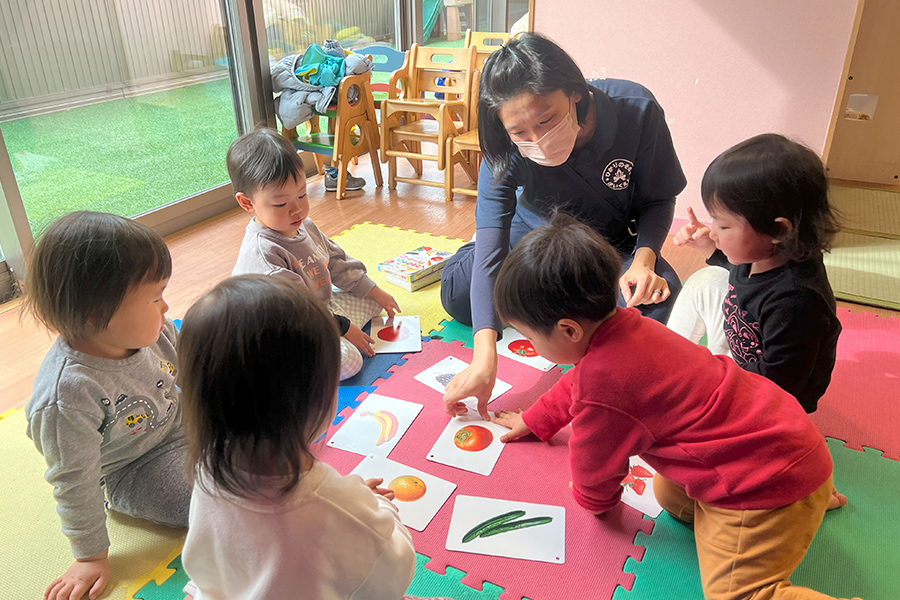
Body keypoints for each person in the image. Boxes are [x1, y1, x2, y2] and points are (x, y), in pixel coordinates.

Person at [487, 215, 860, 600]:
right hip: (791, 440)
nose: (531, 343)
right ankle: (808, 501)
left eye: (530, 336)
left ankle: (795, 509)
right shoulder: (635, 326)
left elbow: (594, 461)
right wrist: (537, 419)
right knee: (668, 493)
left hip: (763, 485)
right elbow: (576, 385)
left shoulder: (605, 387)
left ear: (569, 330)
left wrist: (594, 502)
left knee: (737, 595)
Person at [439, 33, 686, 420]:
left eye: (546, 120)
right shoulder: (503, 148)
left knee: (651, 305)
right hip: (535, 235)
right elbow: (492, 241)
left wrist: (645, 261)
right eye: (520, 132)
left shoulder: (635, 110)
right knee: (461, 296)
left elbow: (658, 198)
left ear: (574, 91)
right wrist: (484, 357)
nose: (537, 139)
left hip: (610, 243)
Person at [178, 275, 447, 600]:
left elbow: (208, 559)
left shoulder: (208, 468)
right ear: (318, 400)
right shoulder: (336, 504)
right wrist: (376, 506)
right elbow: (392, 576)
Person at [667, 134, 846, 509]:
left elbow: (780, 390)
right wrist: (710, 249)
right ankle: (664, 365)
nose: (713, 230)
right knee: (704, 282)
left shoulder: (796, 299)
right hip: (744, 348)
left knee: (789, 446)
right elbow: (736, 278)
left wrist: (716, 385)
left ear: (779, 231)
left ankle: (818, 490)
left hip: (776, 392)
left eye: (724, 225)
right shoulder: (760, 254)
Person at [24, 212, 191, 600]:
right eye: (155, 297)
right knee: (209, 500)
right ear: (96, 314)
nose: (165, 308)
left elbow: (189, 375)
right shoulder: (67, 395)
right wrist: (90, 557)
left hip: (183, 424)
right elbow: (74, 480)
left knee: (264, 429)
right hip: (134, 470)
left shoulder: (154, 329)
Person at [228, 127, 400, 380]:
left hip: (318, 308)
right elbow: (297, 312)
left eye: (302, 194)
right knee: (349, 362)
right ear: (247, 203)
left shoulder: (304, 226)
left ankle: (337, 326)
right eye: (281, 204)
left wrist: (374, 291)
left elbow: (336, 262)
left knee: (373, 300)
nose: (297, 210)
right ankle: (286, 365)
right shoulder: (265, 256)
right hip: (284, 328)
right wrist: (341, 327)